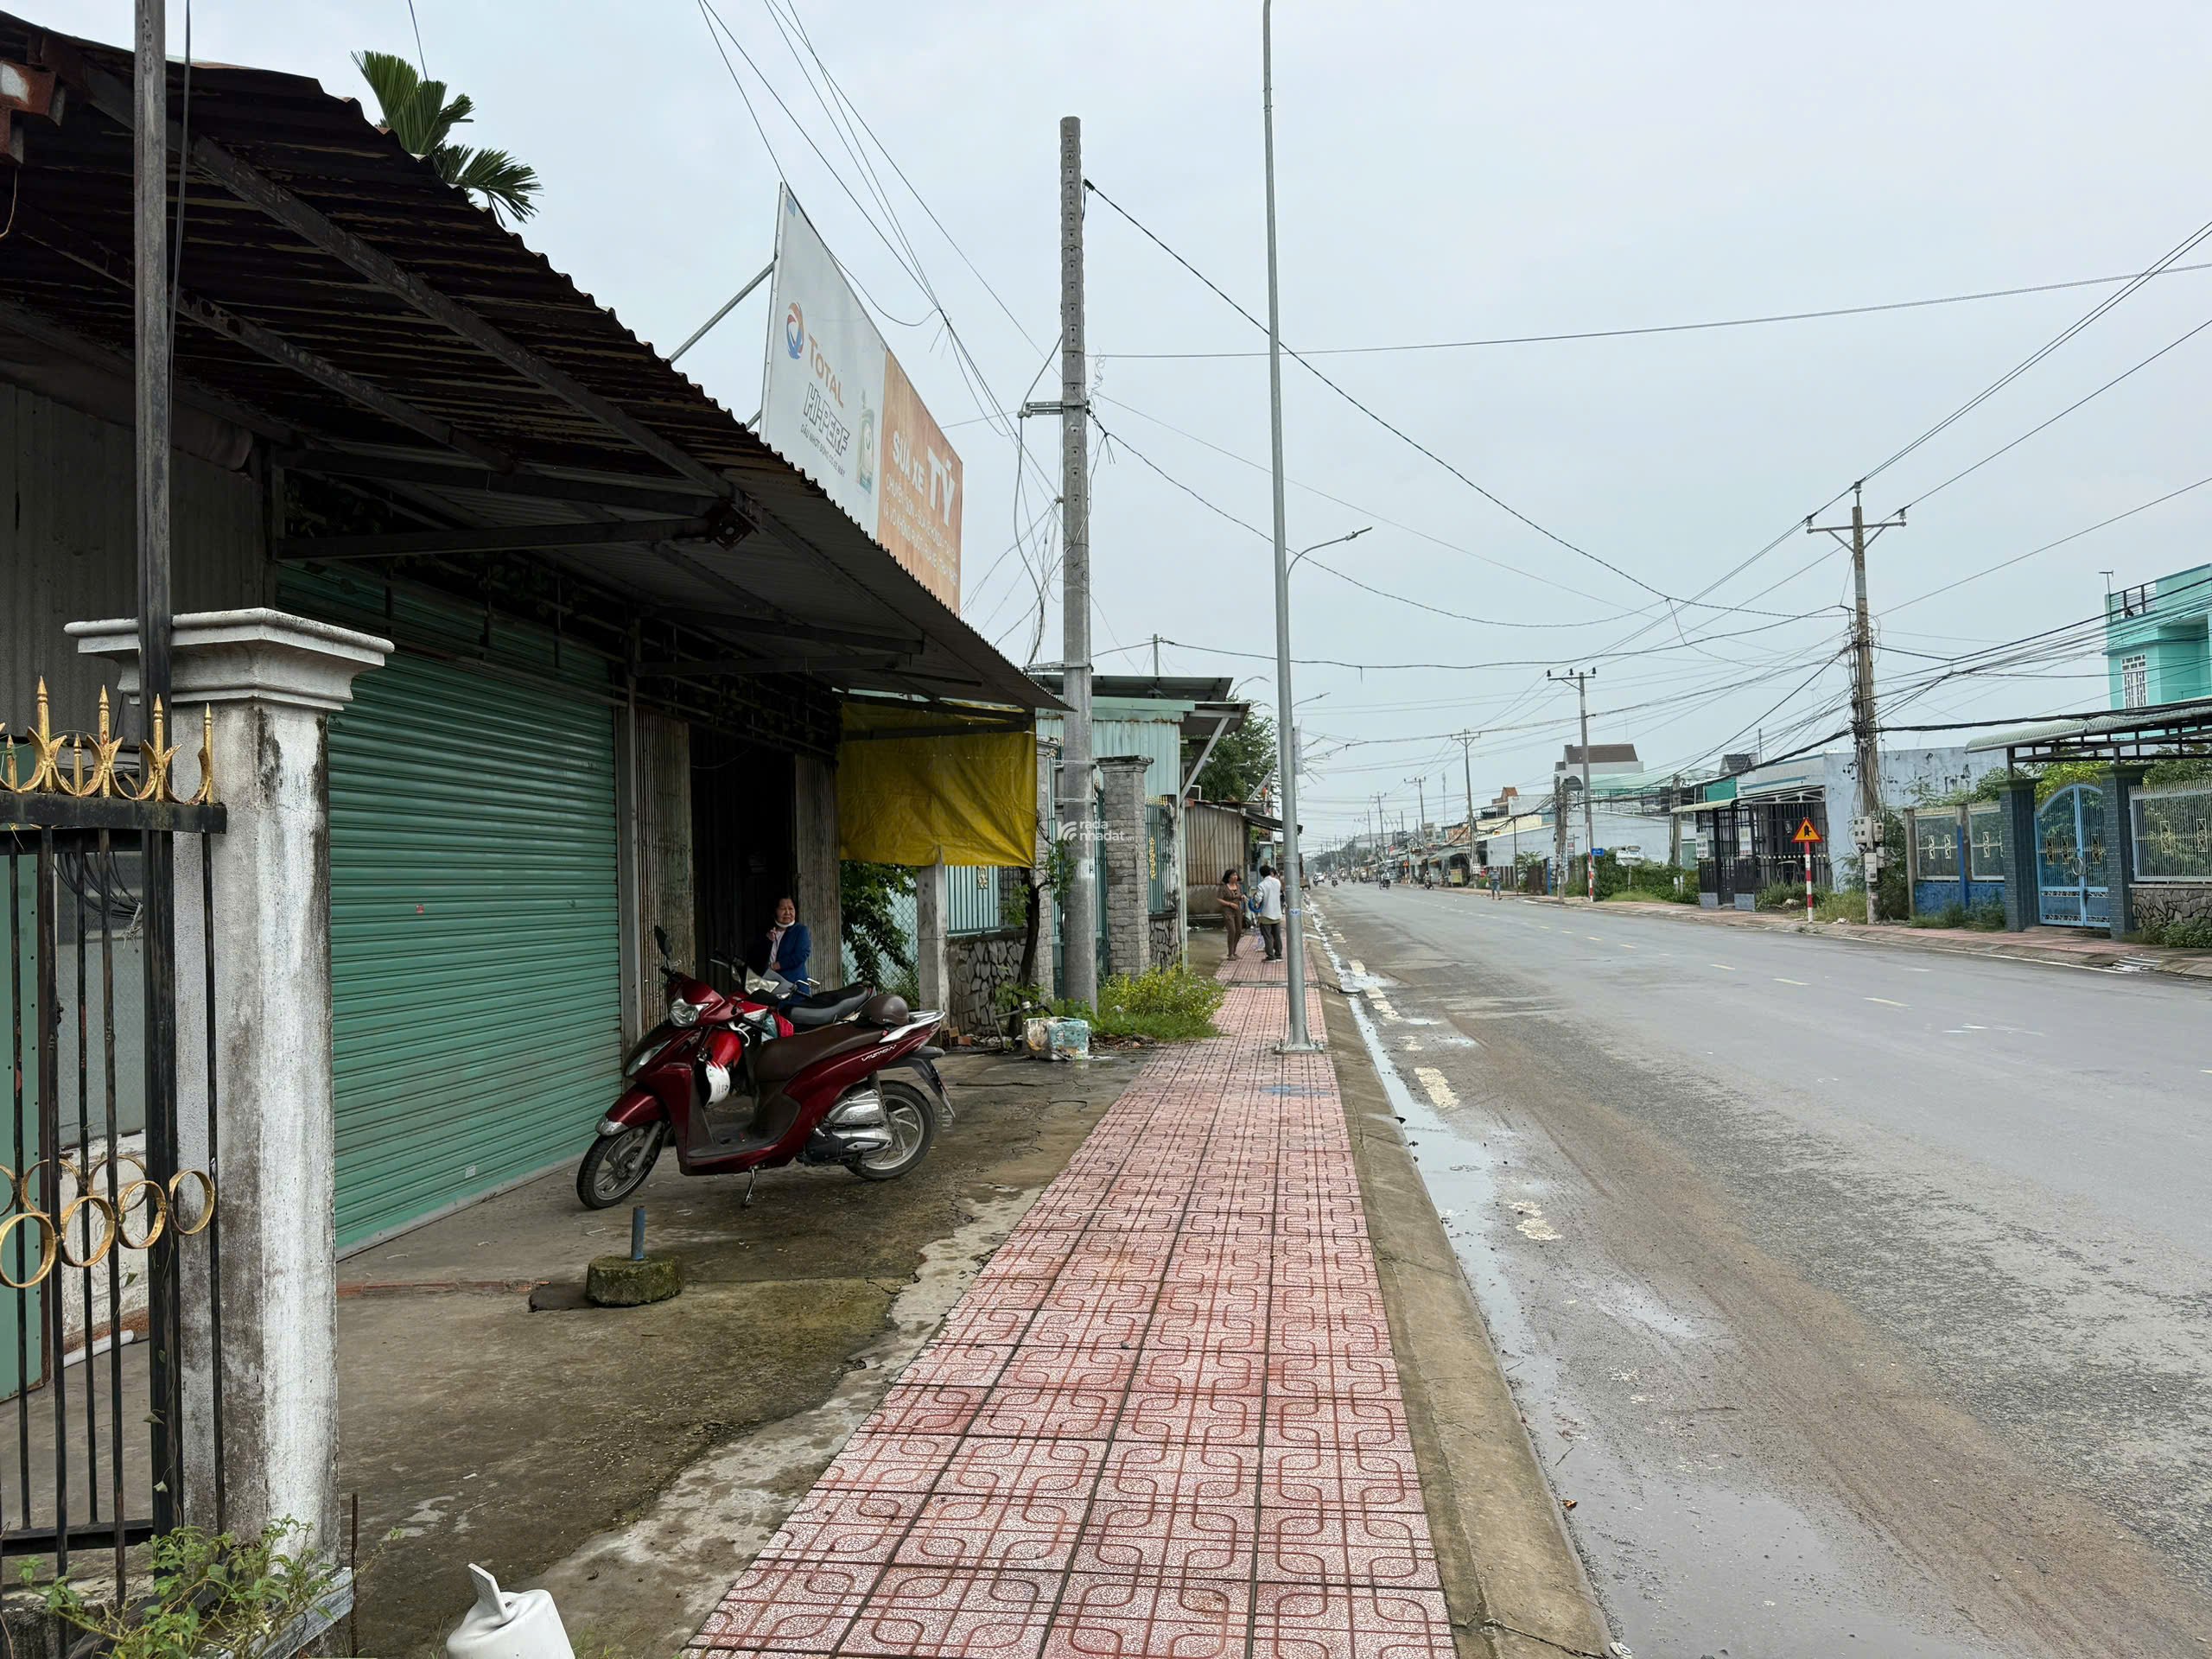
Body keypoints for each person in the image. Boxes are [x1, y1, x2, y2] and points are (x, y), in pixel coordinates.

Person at [750, 895, 811, 987]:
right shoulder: (767, 931)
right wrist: (767, 941)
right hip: (769, 985)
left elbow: (801, 955)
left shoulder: (800, 930)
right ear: (775, 911)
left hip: (793, 987)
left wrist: (776, 966)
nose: (787, 912)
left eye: (791, 909)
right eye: (783, 908)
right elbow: (755, 956)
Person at [1254, 864, 1285, 961]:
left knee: (1267, 936)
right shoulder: (1277, 882)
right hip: (1277, 913)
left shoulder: (1261, 885)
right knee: (1277, 936)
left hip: (1266, 914)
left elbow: (1258, 899)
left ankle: (1270, 956)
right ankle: (1279, 955)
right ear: (1270, 872)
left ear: (1261, 874)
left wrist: (1255, 898)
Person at [1217, 868, 1247, 957]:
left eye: (1236, 875)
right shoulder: (1224, 887)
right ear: (1228, 877)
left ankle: (1234, 951)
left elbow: (1240, 895)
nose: (1235, 877)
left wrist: (1242, 897)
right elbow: (1219, 899)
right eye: (1233, 875)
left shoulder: (1238, 886)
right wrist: (1230, 904)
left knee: (1239, 931)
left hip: (1237, 909)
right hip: (1227, 910)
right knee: (1232, 931)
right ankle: (1230, 953)